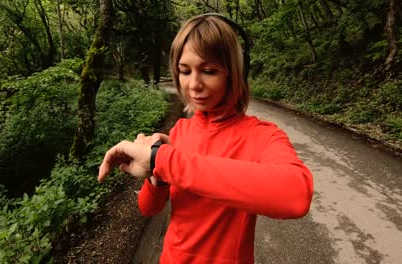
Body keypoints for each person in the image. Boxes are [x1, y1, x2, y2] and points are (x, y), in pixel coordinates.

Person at [98, 13, 313, 264]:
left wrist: (164, 160)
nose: (194, 84)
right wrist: (158, 177)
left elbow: (296, 197)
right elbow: (148, 208)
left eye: (209, 70)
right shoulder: (179, 132)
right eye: (184, 71)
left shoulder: (263, 136)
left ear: (234, 73)